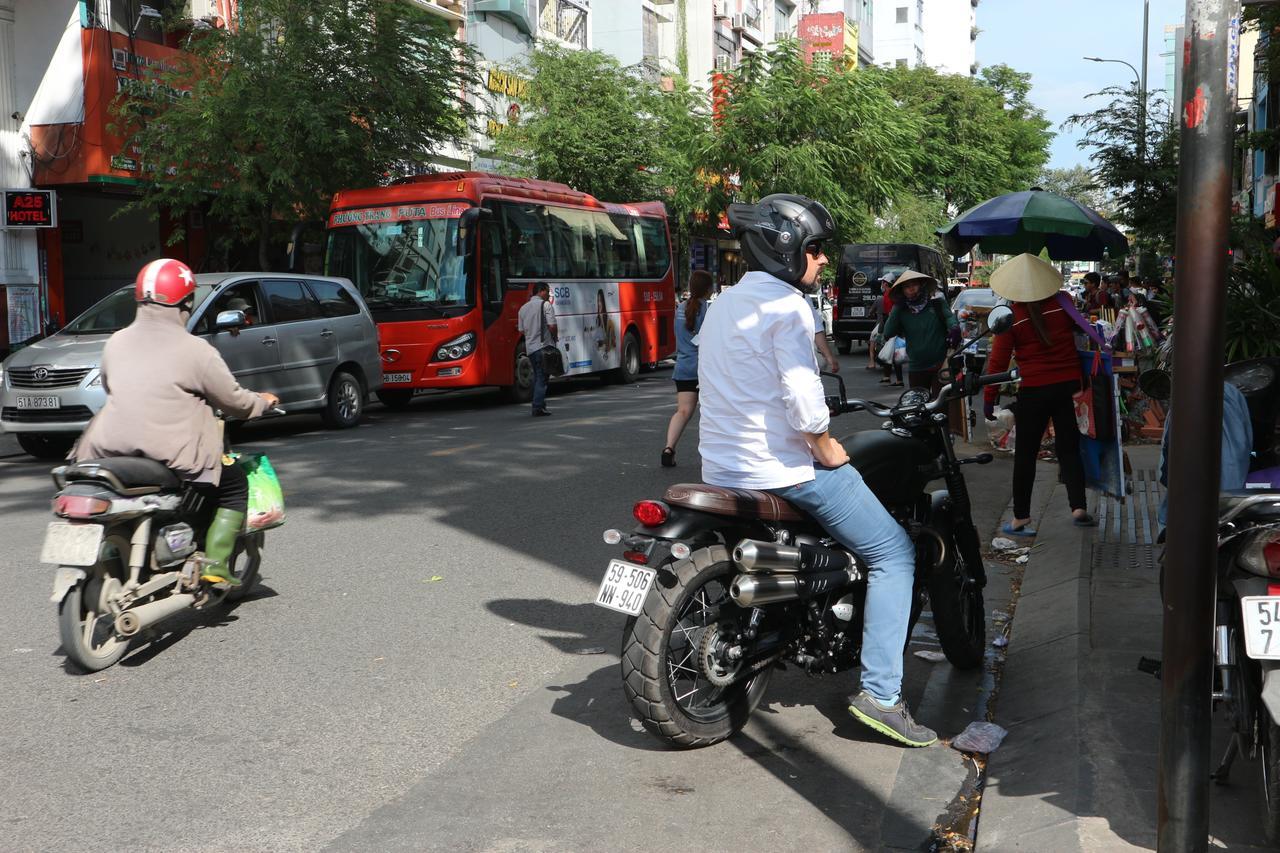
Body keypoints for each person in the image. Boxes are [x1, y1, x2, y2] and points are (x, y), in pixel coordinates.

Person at [700, 193, 935, 747]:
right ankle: (881, 695)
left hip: (722, 467)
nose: (824, 260)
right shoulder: (787, 307)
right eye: (815, 249)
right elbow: (803, 395)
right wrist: (824, 444)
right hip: (783, 470)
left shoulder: (721, 305)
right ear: (784, 251)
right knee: (893, 553)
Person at [72, 259, 279, 586]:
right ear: (185, 303)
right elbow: (233, 400)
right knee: (235, 483)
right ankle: (215, 564)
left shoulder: (115, 341)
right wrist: (262, 404)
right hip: (171, 448)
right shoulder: (196, 349)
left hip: (107, 447)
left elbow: (113, 387)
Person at [982, 254, 1095, 535]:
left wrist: (989, 399)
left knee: (1026, 455)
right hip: (1068, 386)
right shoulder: (1062, 303)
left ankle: (1021, 518)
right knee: (1068, 449)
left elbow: (997, 362)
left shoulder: (1011, 318)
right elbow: (1085, 330)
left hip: (1034, 390)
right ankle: (1078, 506)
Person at [661, 271, 713, 468]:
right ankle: (712, 457)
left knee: (683, 411)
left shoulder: (680, 308)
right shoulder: (707, 310)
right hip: (705, 368)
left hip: (684, 367)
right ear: (708, 289)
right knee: (710, 413)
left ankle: (669, 448)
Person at [881, 270, 959, 393]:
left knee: (941, 406)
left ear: (922, 285)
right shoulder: (901, 310)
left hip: (941, 365)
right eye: (906, 287)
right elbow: (888, 332)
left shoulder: (937, 304)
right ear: (902, 291)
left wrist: (954, 327)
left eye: (914, 285)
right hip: (916, 367)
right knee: (919, 407)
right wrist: (896, 308)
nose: (911, 289)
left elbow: (950, 319)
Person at [517, 283, 558, 417]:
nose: (548, 295)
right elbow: (552, 326)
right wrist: (555, 337)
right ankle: (538, 407)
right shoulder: (545, 305)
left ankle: (541, 404)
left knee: (537, 376)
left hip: (531, 349)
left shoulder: (522, 308)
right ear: (540, 291)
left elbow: (521, 330)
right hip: (543, 347)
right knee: (542, 378)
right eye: (547, 292)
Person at [875, 275, 905, 386]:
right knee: (889, 352)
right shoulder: (892, 294)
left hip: (892, 327)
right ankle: (887, 376)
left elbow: (890, 314)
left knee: (893, 352)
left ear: (886, 283)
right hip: (893, 325)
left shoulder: (890, 294)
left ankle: (898, 379)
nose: (881, 285)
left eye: (882, 282)